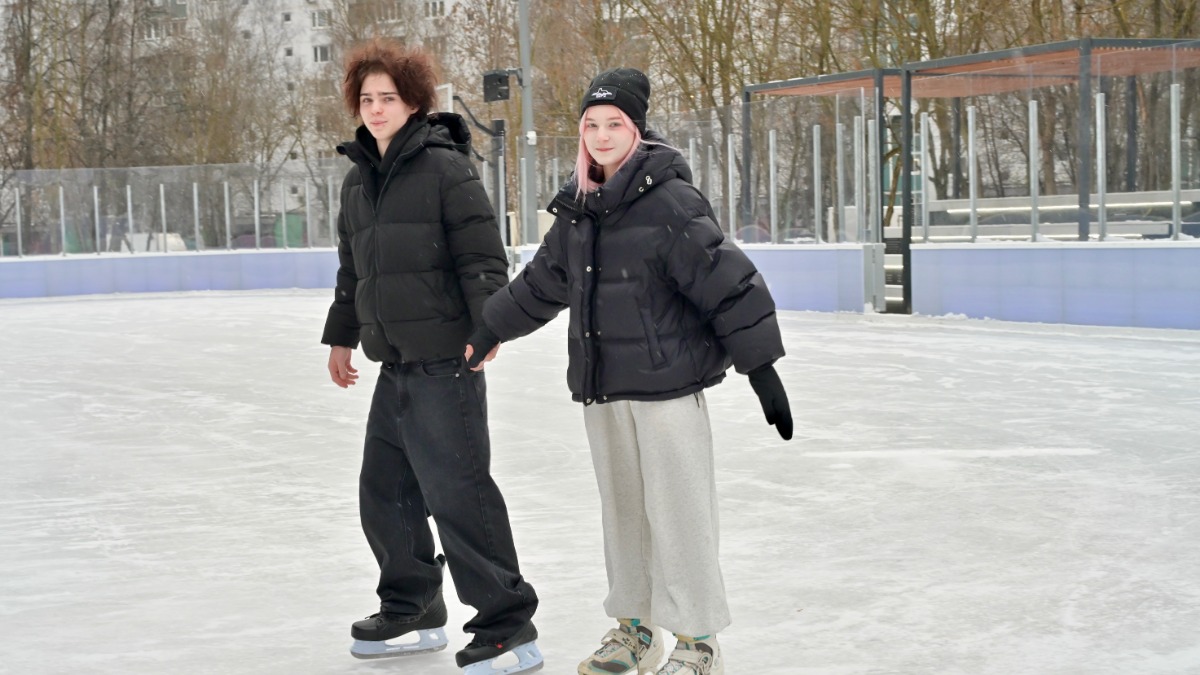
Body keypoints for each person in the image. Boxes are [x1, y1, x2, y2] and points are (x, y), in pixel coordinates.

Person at [465, 67, 793, 675]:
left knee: (680, 513)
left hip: (667, 390)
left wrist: (762, 368)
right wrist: (491, 325)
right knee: (624, 514)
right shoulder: (579, 208)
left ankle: (698, 642)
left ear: (637, 131)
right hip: (604, 387)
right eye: (591, 124)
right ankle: (635, 631)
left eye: (614, 124)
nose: (601, 134)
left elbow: (727, 280)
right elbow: (543, 282)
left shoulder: (669, 202)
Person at [320, 38, 541, 675]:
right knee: (383, 491)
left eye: (388, 97)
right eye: (367, 98)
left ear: (414, 102)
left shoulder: (446, 168)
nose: (377, 107)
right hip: (395, 365)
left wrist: (488, 327)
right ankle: (414, 603)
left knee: (459, 495)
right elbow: (350, 272)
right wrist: (341, 337)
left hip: (448, 361)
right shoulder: (358, 183)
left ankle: (508, 626)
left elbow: (481, 257)